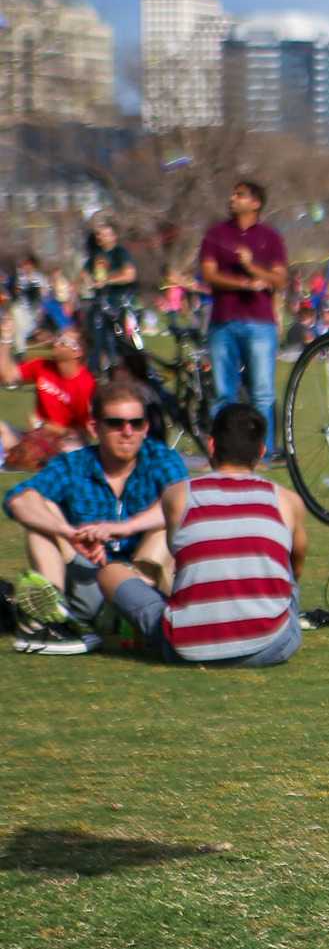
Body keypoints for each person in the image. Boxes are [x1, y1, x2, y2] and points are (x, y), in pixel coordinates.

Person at [71, 405, 310, 667]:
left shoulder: (178, 495)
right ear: (262, 452)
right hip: (271, 645)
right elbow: (296, 566)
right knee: (286, 559)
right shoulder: (286, 500)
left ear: (211, 445)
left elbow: (179, 557)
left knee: (110, 573)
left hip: (186, 646)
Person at [6, 380, 193, 654]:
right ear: (95, 427)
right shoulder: (74, 463)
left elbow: (185, 501)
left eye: (136, 423)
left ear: (145, 427)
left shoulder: (161, 459)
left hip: (141, 582)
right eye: (116, 423)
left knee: (166, 523)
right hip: (87, 577)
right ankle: (54, 618)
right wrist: (68, 532)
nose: (127, 432)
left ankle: (134, 617)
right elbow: (17, 499)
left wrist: (125, 528)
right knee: (41, 511)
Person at [197, 179, 287, 457]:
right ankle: (223, 450)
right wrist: (244, 284)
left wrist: (251, 266)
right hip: (223, 322)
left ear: (255, 203)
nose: (232, 198)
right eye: (233, 193)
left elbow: (280, 279)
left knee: (262, 392)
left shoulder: (270, 238)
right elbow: (209, 274)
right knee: (223, 393)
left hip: (260, 323)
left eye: (240, 195)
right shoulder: (216, 234)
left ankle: (264, 449)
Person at [1, 325, 96, 471]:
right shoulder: (42, 365)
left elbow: (85, 434)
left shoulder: (86, 385)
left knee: (71, 449)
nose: (56, 343)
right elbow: (7, 376)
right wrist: (5, 339)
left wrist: (45, 427)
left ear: (78, 352)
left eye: (64, 341)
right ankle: (21, 460)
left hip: (65, 442)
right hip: (35, 436)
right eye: (58, 338)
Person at [81, 220, 140, 376]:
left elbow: (130, 275)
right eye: (99, 234)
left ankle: (131, 371)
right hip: (99, 304)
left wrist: (107, 280)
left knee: (122, 342)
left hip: (119, 304)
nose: (101, 237)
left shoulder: (120, 252)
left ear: (113, 236)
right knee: (98, 341)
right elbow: (85, 273)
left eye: (105, 234)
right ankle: (98, 373)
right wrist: (88, 281)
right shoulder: (95, 255)